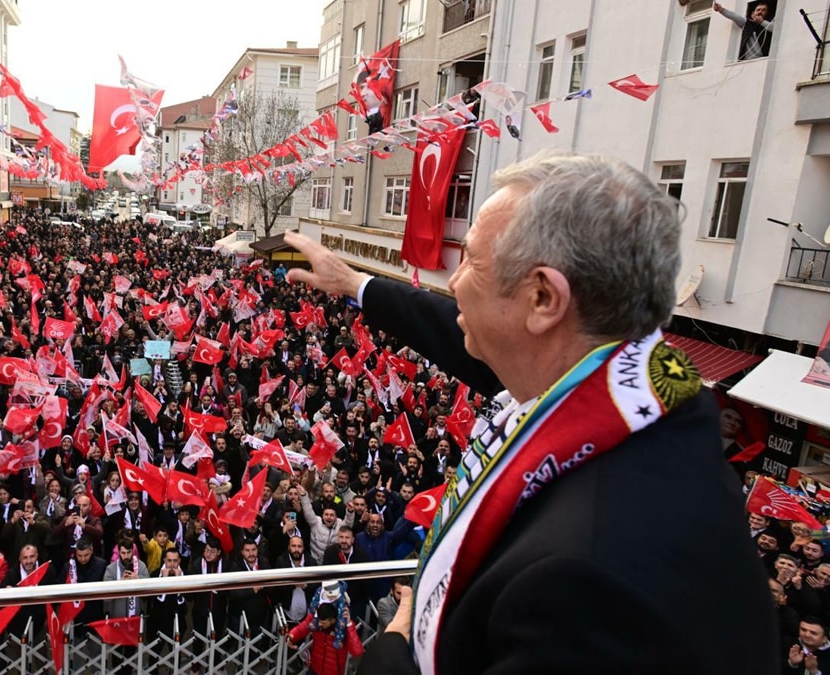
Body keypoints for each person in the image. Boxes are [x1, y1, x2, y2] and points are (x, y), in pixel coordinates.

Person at [283, 152, 774, 673]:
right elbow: (466, 332)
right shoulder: (636, 387)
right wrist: (354, 283)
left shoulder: (583, 575)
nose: (453, 283)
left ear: (542, 299)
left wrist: (394, 647)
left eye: (470, 261)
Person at [286, 583, 363, 675]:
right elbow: (303, 626)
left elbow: (357, 651)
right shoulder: (318, 615)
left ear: (333, 620)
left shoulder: (344, 626)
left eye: (323, 623)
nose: (319, 624)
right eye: (319, 621)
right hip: (315, 668)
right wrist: (292, 636)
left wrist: (350, 625)